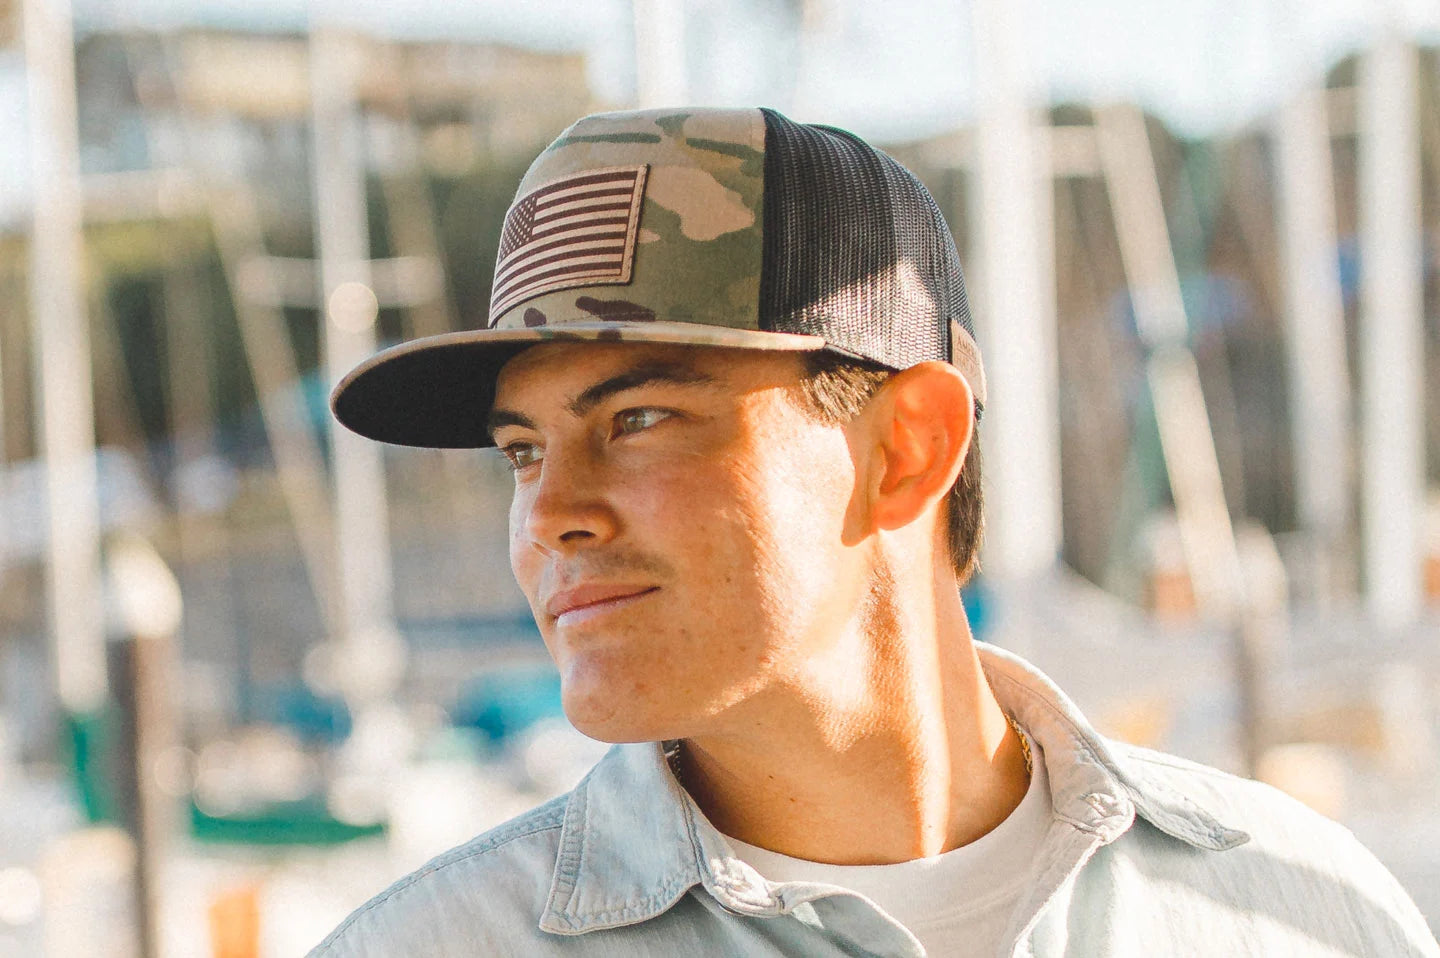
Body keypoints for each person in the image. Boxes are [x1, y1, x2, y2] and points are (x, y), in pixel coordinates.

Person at [311, 107, 1437, 957]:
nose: (551, 512)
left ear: (906, 447)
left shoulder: (1302, 912)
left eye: (639, 419)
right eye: (522, 450)